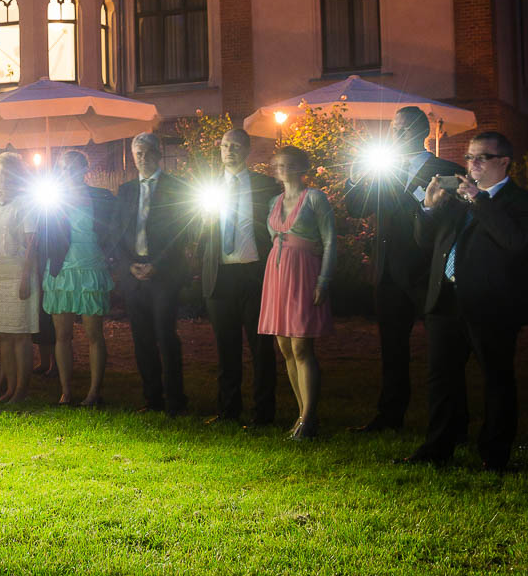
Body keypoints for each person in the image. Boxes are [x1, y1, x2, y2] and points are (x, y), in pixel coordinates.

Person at [403, 130, 528, 473]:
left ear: (504, 162)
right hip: (445, 299)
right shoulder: (456, 201)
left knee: (496, 378)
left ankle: (494, 454)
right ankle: (438, 446)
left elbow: (514, 243)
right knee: (441, 377)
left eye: (481, 157)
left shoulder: (524, 203)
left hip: (491, 304)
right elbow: (425, 243)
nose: (472, 164)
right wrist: (428, 206)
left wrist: (478, 200)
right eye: (469, 157)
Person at [344, 105, 464, 433]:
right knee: (392, 349)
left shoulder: (446, 169)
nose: (395, 134)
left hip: (428, 274)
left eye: (402, 129)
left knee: (444, 352)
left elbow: (451, 218)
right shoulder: (383, 171)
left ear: (420, 132)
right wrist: (356, 175)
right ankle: (390, 416)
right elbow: (356, 207)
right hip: (388, 274)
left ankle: (448, 420)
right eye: (393, 129)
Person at [198, 128, 280, 428]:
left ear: (246, 151)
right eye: (224, 146)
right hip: (220, 275)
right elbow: (197, 233)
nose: (228, 150)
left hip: (254, 274)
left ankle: (263, 414)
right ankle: (228, 410)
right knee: (226, 347)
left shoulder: (265, 186)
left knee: (261, 348)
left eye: (235, 146)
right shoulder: (208, 187)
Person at [110, 132, 192, 417]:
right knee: (141, 338)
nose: (142, 158)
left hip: (164, 273)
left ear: (157, 154)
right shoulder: (126, 190)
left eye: (146, 152)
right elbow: (117, 231)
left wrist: (157, 263)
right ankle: (152, 398)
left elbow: (182, 231)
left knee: (166, 336)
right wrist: (128, 264)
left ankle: (175, 400)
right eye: (137, 153)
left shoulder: (176, 187)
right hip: (134, 273)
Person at [261, 146, 337, 439]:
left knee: (302, 347)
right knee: (285, 349)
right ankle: (301, 413)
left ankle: (309, 417)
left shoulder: (315, 198)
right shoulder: (273, 201)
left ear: (301, 167)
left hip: (304, 272)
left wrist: (324, 280)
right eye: (278, 164)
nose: (283, 169)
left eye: (289, 164)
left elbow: (330, 241)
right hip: (277, 274)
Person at [40, 150, 113, 407]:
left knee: (94, 333)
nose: (68, 171)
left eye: (73, 167)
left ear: (84, 169)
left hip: (91, 265)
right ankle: (66, 391)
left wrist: (110, 256)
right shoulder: (51, 199)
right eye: (63, 167)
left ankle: (94, 392)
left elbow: (113, 230)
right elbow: (42, 235)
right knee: (62, 334)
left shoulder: (101, 197)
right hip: (61, 268)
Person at [0, 151, 40, 407]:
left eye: (7, 174)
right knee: (3, 334)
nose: (3, 179)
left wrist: (26, 277)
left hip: (18, 270)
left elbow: (32, 244)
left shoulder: (26, 204)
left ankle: (21, 390)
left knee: (20, 334)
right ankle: (9, 388)